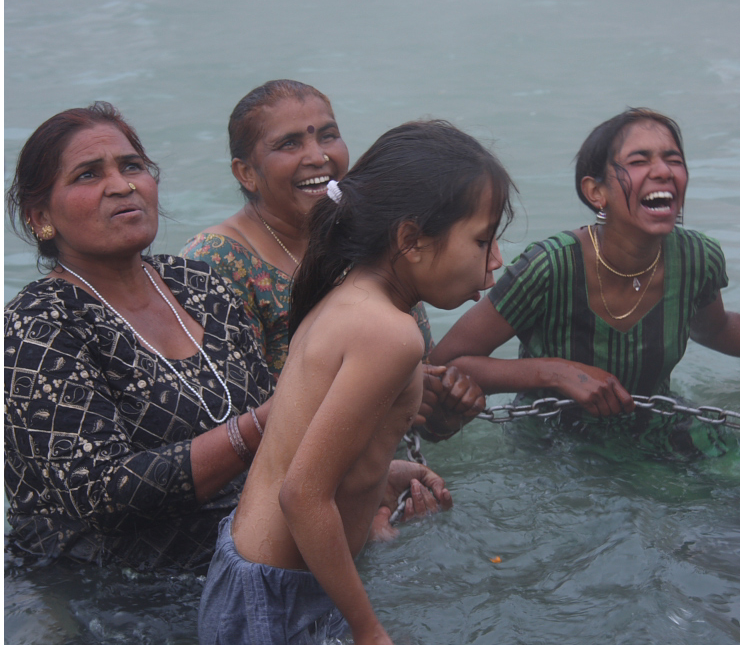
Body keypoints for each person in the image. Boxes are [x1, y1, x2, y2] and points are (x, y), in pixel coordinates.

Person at [2, 103, 451, 573]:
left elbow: (278, 444)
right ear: (39, 218)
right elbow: (102, 491)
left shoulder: (198, 285)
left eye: (132, 166)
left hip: (238, 555)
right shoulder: (40, 323)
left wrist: (365, 480)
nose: (122, 185)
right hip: (107, 593)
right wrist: (256, 427)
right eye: (88, 175)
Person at [198, 120, 513, 644]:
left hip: (246, 568)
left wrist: (377, 472)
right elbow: (302, 496)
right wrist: (369, 630)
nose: (496, 259)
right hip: (280, 596)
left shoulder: (346, 295)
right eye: (483, 240)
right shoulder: (391, 334)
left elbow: (300, 454)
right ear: (411, 239)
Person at [429, 108, 740, 458]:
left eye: (673, 159)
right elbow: (444, 364)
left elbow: (716, 328)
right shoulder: (551, 265)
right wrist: (557, 373)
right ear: (595, 192)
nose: (663, 171)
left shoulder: (696, 257)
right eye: (639, 160)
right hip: (555, 442)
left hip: (655, 423)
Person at [180, 80, 482, 441]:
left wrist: (442, 406)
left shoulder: (374, 237)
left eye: (328, 136)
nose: (318, 156)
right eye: (290, 143)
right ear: (245, 172)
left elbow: (415, 382)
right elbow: (225, 423)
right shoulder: (213, 263)